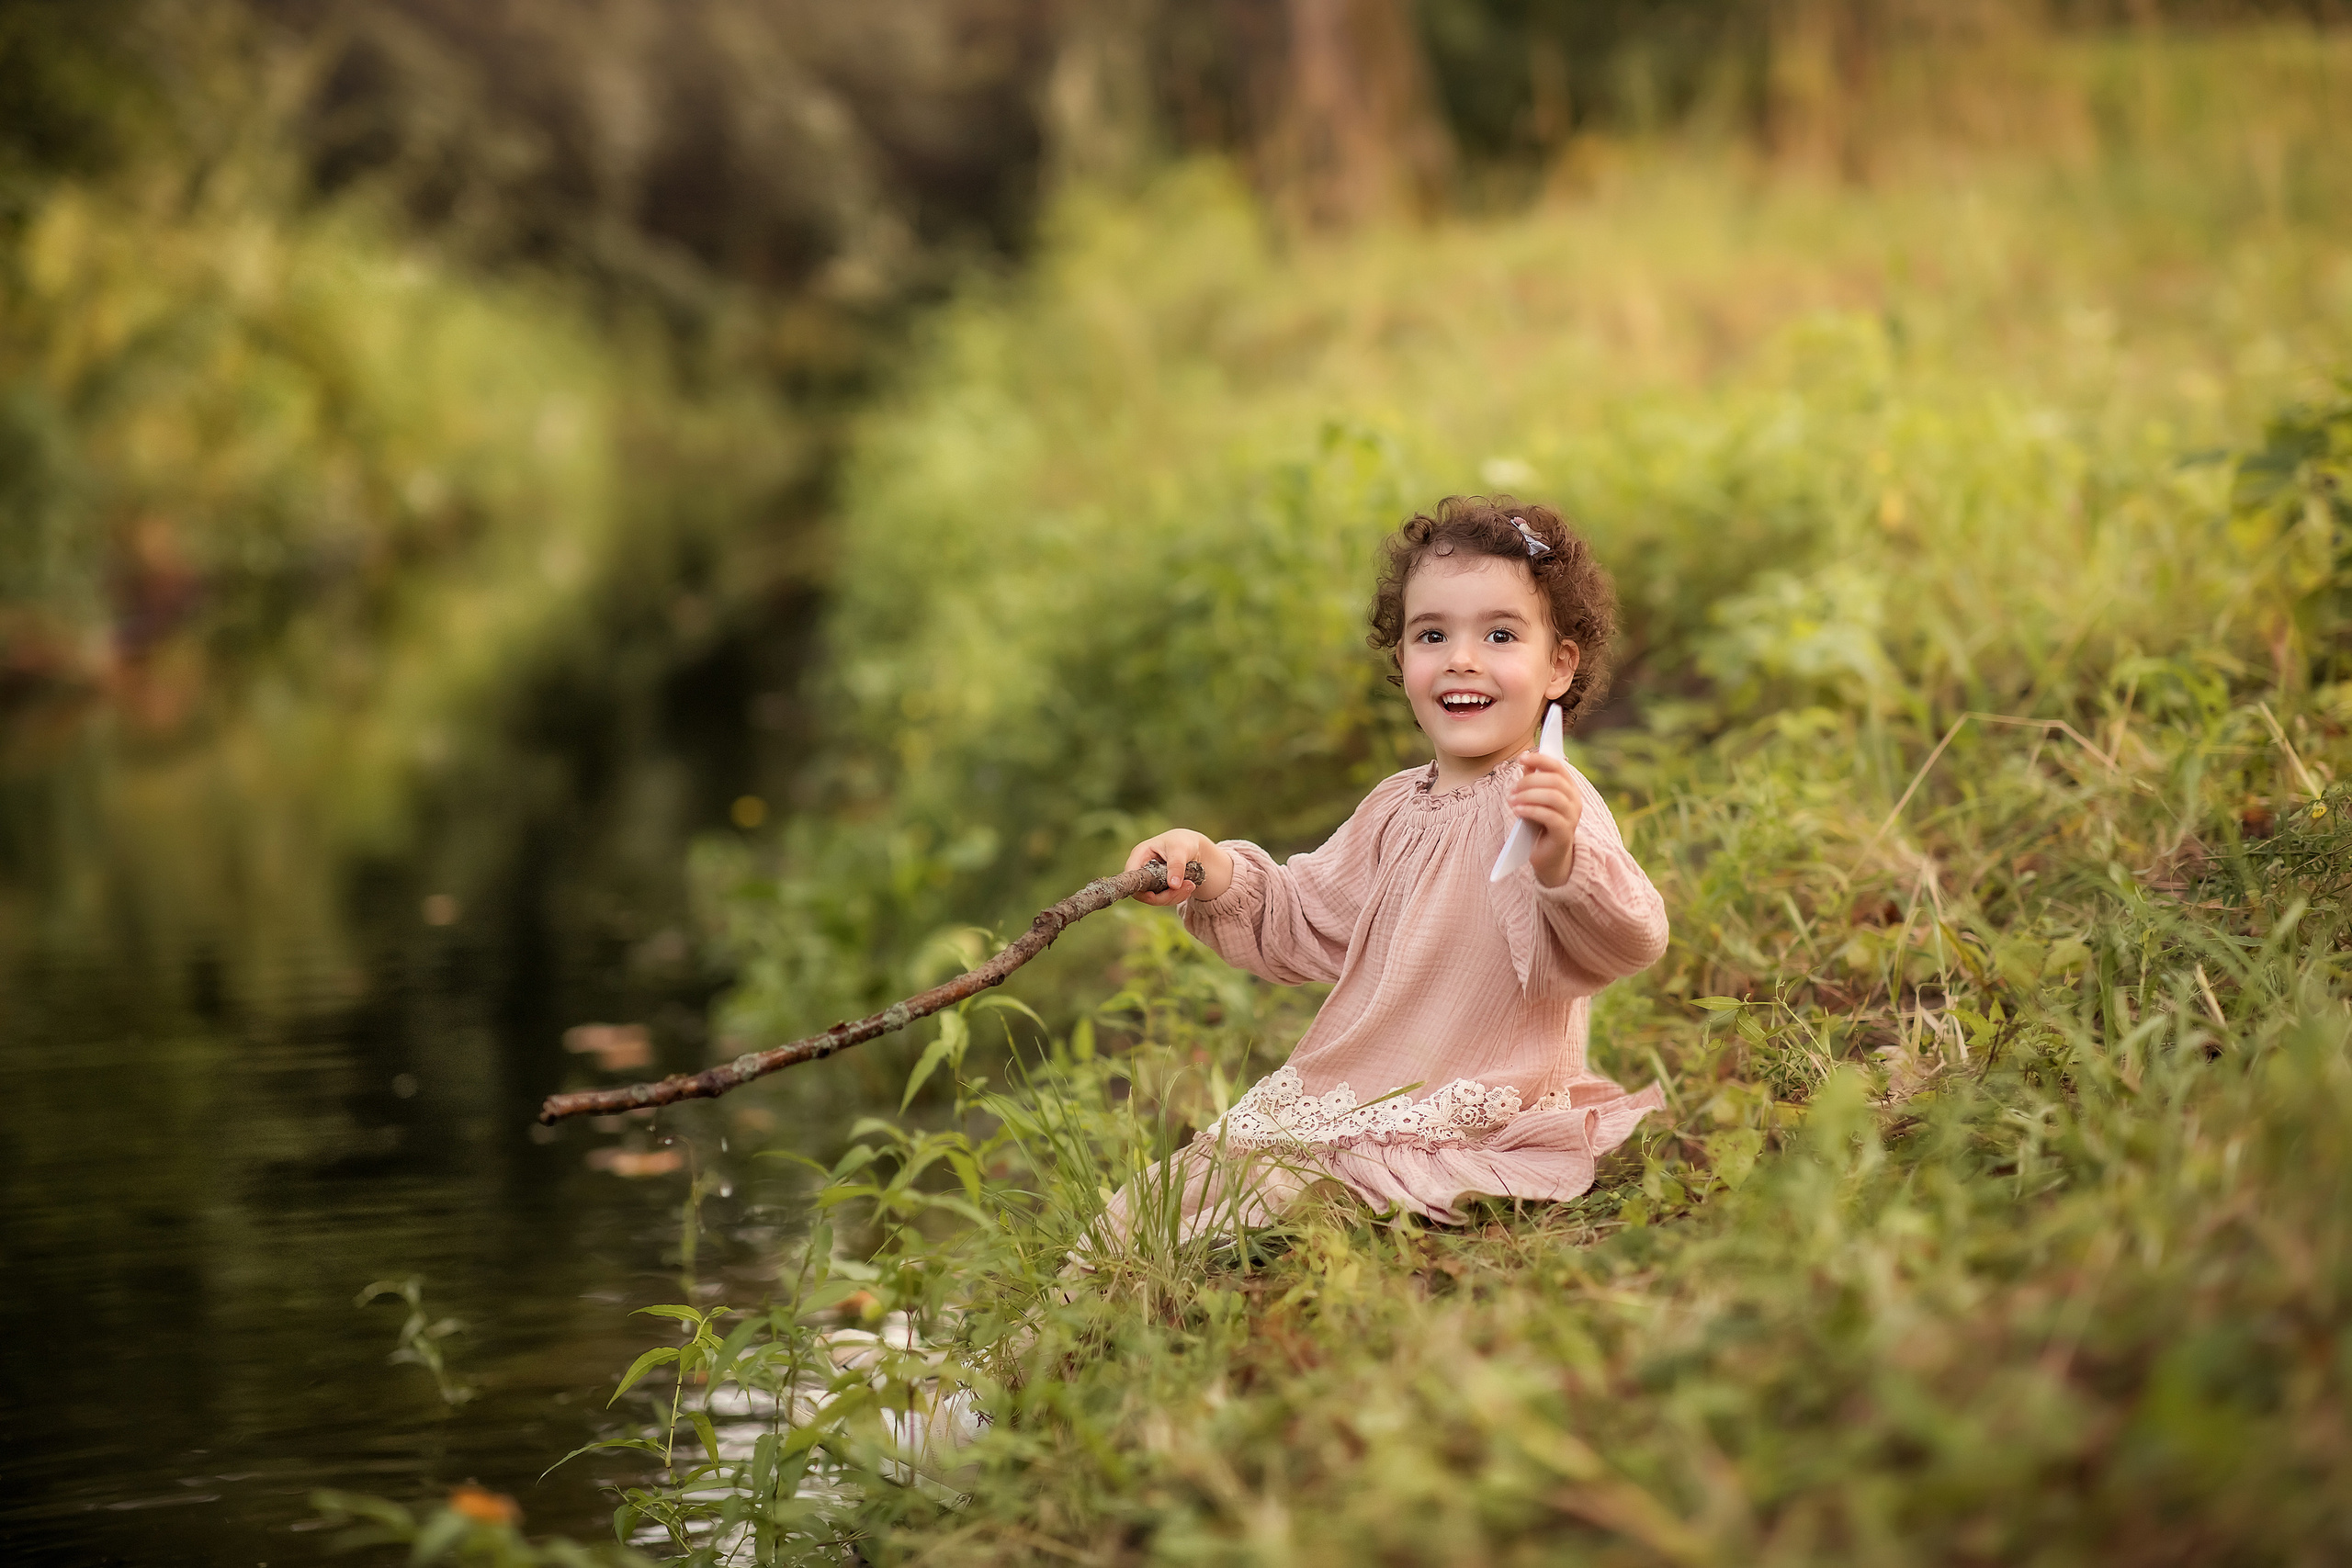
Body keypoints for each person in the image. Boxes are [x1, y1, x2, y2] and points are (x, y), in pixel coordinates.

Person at [1105, 494, 1669, 1246]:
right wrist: (1210, 866)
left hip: (1458, 1112)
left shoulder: (1546, 799)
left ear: (1558, 666)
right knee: (1149, 1205)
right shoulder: (1395, 808)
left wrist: (1561, 858)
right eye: (1432, 634)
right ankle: (1025, 1325)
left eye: (1501, 634)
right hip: (1356, 1099)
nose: (1462, 658)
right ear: (1403, 660)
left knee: (1263, 1206)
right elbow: (1302, 914)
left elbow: (1631, 936)